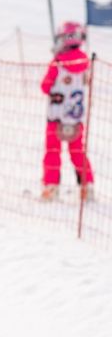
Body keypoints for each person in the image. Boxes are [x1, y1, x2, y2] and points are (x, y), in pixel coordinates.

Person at [40, 21, 94, 202]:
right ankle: (87, 186)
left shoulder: (57, 64)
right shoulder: (85, 63)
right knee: (77, 152)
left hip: (56, 117)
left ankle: (51, 187)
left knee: (53, 152)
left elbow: (45, 87)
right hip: (76, 118)